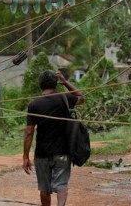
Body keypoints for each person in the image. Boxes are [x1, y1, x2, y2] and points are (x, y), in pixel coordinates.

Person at [23, 70, 85, 206]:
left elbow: (29, 132)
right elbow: (81, 97)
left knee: (44, 188)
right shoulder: (64, 99)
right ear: (56, 84)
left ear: (40, 85)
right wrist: (66, 82)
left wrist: (25, 156)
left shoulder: (34, 104)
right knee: (61, 185)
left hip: (42, 154)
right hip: (62, 152)